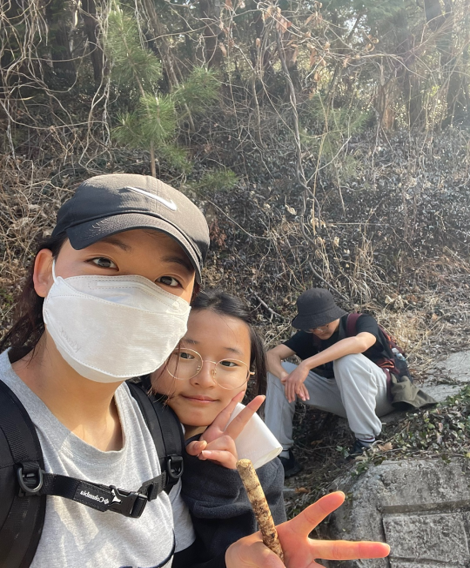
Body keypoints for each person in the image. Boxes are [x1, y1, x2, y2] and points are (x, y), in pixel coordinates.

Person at [0, 174, 390, 567]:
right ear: (45, 271)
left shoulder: (155, 433)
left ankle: (366, 438)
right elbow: (277, 356)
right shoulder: (160, 427)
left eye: (167, 280)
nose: (134, 298)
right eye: (104, 262)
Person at [151, 290, 286, 565]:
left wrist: (215, 481)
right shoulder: (119, 431)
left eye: (227, 363)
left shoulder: (261, 462)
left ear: (247, 377)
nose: (205, 380)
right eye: (184, 355)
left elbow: (263, 556)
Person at [265, 287, 397, 475]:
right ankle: (281, 455)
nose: (318, 330)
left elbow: (361, 342)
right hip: (346, 402)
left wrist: (306, 364)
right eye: (312, 327)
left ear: (333, 314)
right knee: (279, 371)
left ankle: (367, 442)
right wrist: (286, 378)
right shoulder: (311, 334)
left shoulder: (359, 321)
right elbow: (271, 356)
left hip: (381, 396)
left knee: (346, 359)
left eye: (323, 324)